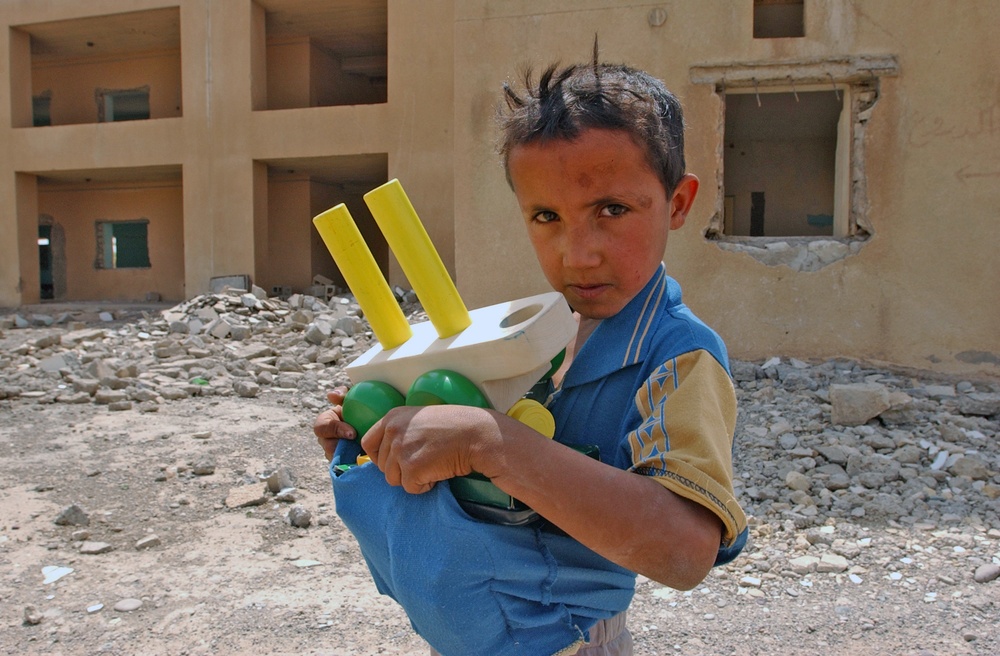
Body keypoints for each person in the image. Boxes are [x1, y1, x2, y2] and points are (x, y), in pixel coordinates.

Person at [314, 57, 747, 656]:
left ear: (677, 203)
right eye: (547, 217)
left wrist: (490, 442)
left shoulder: (679, 357)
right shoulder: (539, 337)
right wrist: (380, 438)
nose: (578, 254)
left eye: (612, 210)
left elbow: (685, 550)